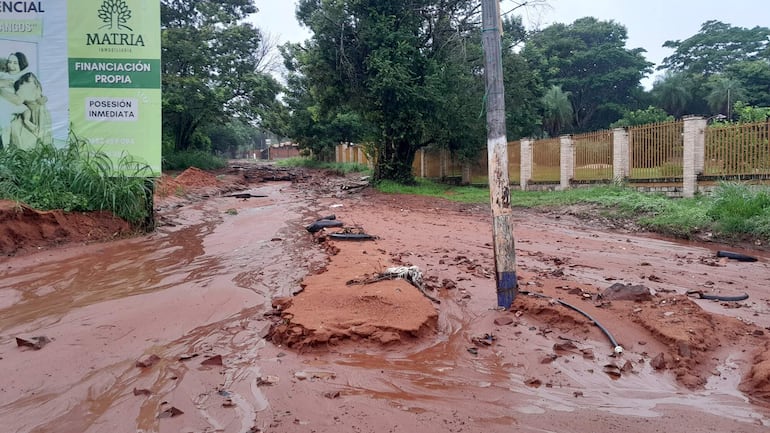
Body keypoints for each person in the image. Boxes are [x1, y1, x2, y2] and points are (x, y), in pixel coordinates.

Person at [5, 72, 52, 149]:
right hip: (24, 122)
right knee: (15, 126)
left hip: (37, 124)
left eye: (35, 85)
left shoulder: (41, 107)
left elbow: (43, 131)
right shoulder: (21, 102)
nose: (35, 88)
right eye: (28, 83)